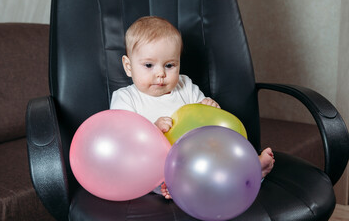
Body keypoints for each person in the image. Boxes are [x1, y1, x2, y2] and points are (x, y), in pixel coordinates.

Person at [110, 16, 275, 199]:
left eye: (170, 65)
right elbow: (123, 141)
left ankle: (252, 171)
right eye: (149, 65)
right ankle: (170, 186)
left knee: (220, 153)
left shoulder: (184, 85)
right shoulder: (125, 97)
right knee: (147, 172)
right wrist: (153, 129)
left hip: (195, 156)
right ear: (128, 66)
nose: (160, 74)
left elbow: (206, 120)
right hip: (155, 163)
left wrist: (210, 107)